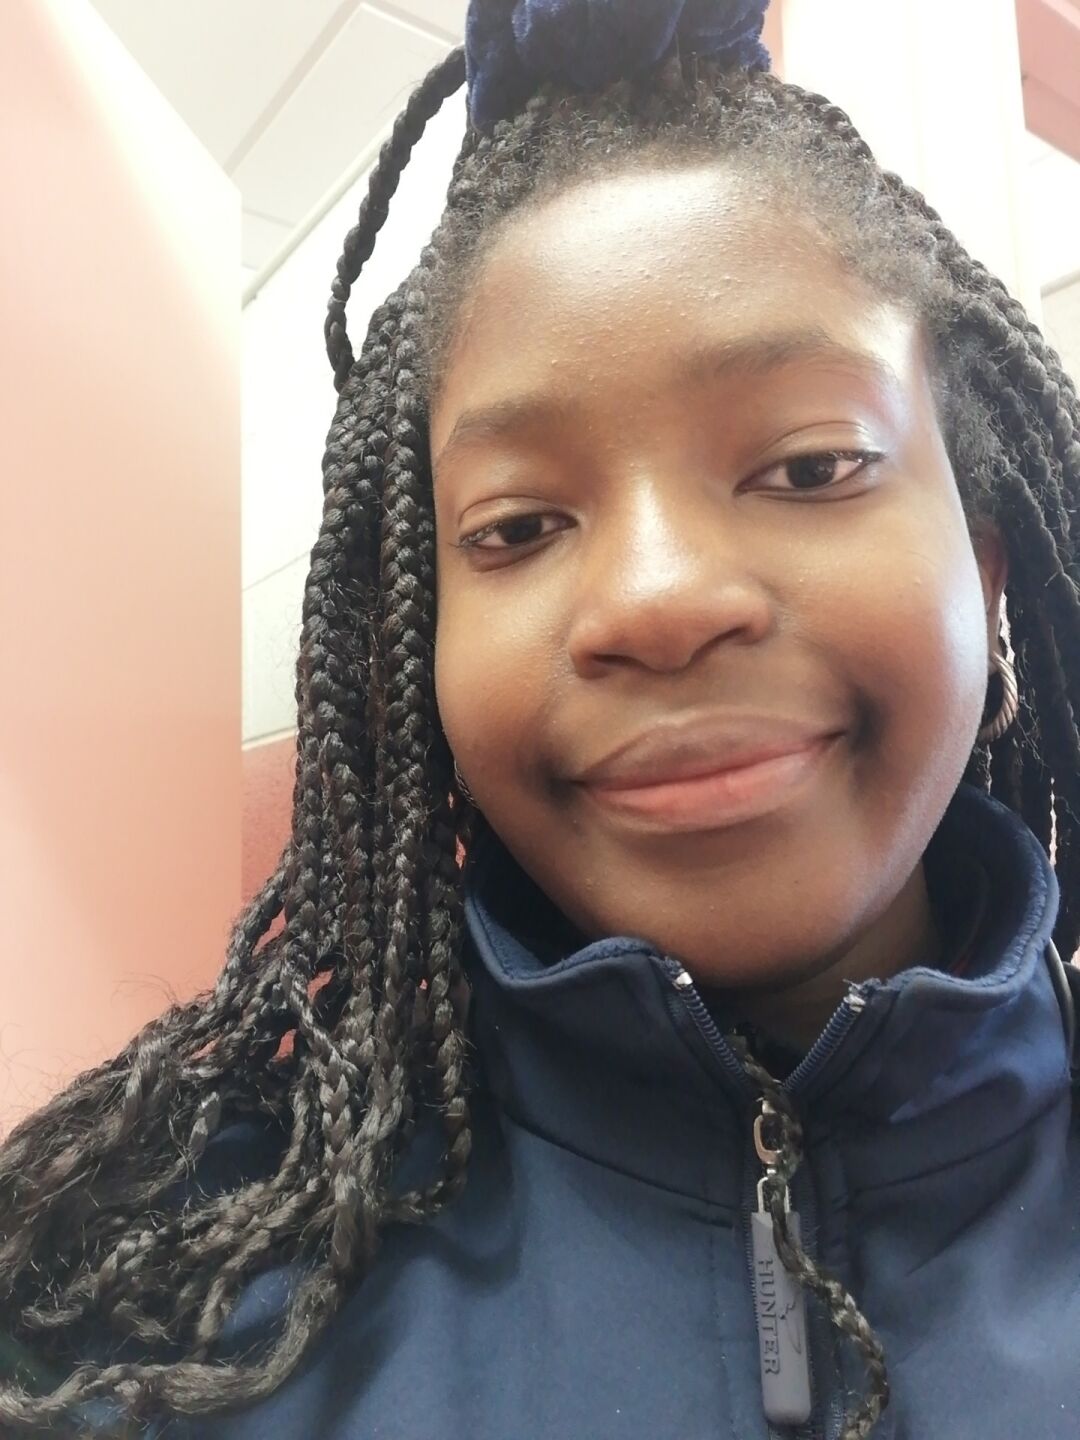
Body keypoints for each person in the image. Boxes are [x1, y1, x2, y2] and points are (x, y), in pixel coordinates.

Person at [3, 0, 1080, 1435]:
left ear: (989, 562)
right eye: (517, 527)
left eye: (813, 466)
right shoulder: (137, 1316)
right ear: (420, 645)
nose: (659, 600)